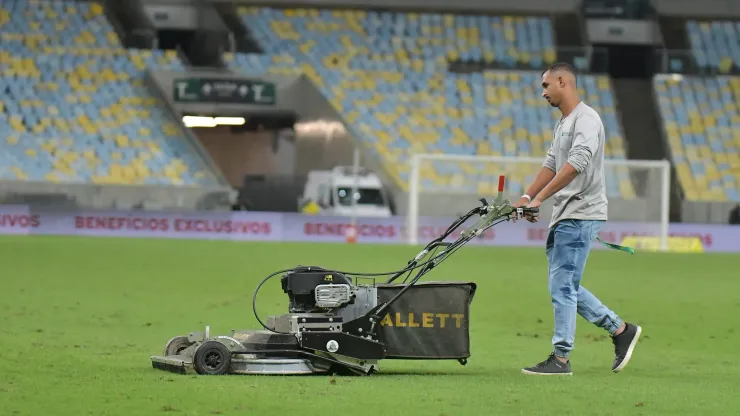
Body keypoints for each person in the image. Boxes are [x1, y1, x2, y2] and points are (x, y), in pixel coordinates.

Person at [512, 62, 642, 375]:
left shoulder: (588, 119)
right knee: (566, 285)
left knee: (562, 287)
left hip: (581, 212)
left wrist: (542, 197)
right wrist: (529, 196)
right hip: (566, 213)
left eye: (546, 86)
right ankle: (620, 330)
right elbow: (551, 164)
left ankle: (561, 358)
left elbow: (576, 164)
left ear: (562, 82)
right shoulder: (565, 123)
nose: (543, 92)